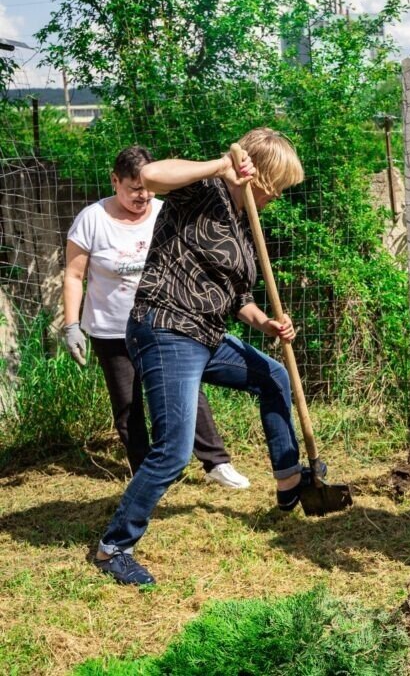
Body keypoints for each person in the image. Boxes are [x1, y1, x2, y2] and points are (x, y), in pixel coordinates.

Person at [93, 128, 309, 586]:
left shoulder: (244, 222)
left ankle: (290, 484)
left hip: (206, 335)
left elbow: (238, 300)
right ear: (262, 178)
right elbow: (150, 176)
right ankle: (114, 547)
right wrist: (219, 165)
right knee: (172, 451)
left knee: (271, 376)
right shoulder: (203, 190)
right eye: (278, 186)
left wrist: (264, 323)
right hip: (166, 327)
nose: (277, 196)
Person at [63, 146, 250, 489]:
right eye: (134, 188)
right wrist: (71, 324)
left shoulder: (167, 210)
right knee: (128, 405)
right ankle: (147, 472)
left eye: (147, 188)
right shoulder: (91, 219)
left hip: (163, 324)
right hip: (112, 330)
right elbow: (74, 276)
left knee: (186, 392)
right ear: (114, 181)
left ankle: (216, 462)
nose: (143, 195)